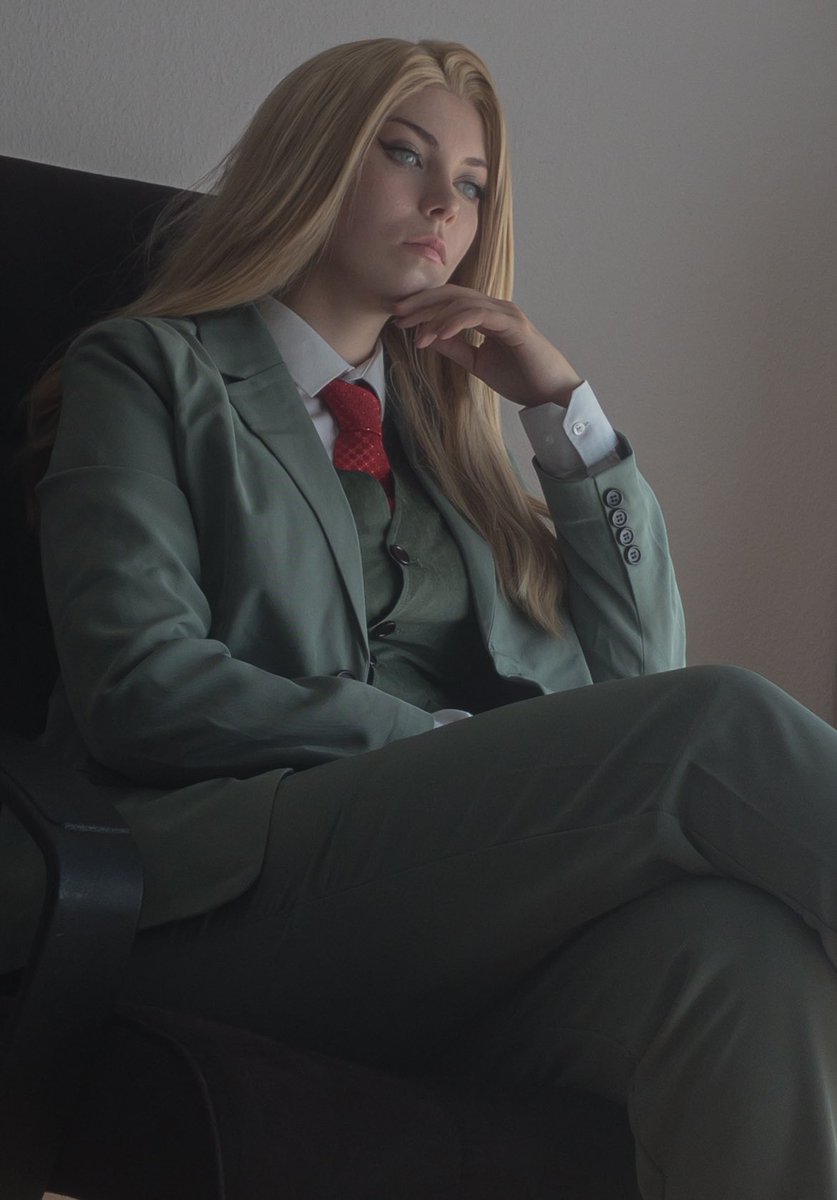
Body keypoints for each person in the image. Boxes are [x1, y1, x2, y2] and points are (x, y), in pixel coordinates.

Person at [13, 36, 837, 1198]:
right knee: (718, 727)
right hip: (222, 897)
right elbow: (139, 687)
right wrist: (441, 749)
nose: (444, 204)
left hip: (443, 928)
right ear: (313, 161)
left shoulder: (458, 455)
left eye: (473, 184)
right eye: (405, 155)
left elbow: (643, 677)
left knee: (740, 957)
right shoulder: (150, 372)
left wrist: (564, 414)